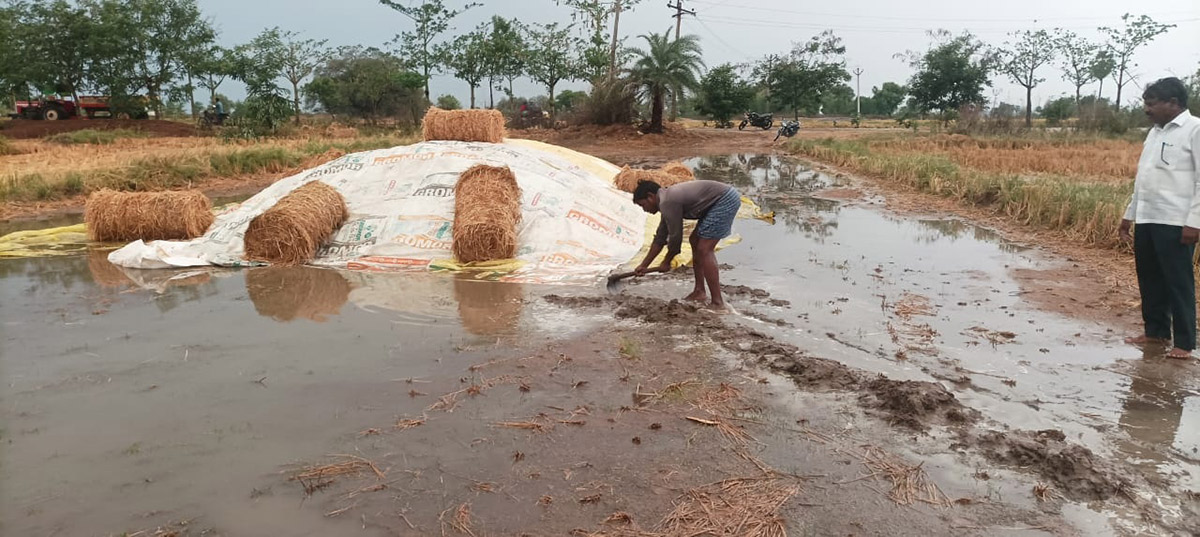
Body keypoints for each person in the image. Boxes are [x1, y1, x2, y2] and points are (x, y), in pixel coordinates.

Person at [1119, 77, 1200, 359]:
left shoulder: (1194, 129)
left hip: (1176, 221)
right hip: (1148, 217)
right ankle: (1155, 332)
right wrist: (1129, 215)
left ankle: (1185, 343)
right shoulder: (1154, 132)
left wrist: (1195, 221)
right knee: (1149, 278)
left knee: (1178, 282)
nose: (1146, 109)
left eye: (1152, 104)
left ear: (1173, 103)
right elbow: (1144, 179)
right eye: (1146, 103)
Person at [632, 179, 741, 309]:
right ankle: (699, 291)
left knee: (704, 249)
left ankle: (717, 302)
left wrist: (666, 261)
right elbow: (660, 237)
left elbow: (675, 239)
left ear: (650, 196)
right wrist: (644, 265)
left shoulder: (668, 202)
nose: (644, 210)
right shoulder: (666, 201)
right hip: (716, 201)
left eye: (642, 205)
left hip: (724, 199)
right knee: (694, 241)